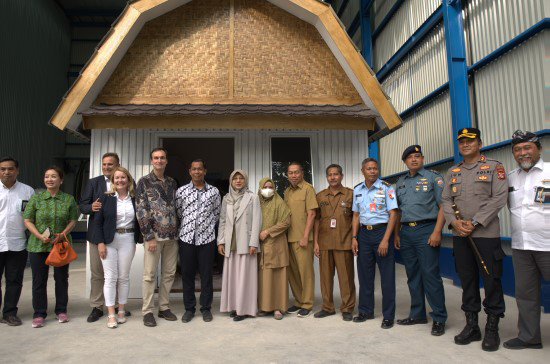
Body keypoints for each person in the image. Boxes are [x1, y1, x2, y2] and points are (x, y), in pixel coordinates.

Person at [442, 128, 508, 352]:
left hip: (486, 235)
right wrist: (454, 223)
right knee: (467, 280)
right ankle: (472, 326)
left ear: (479, 143)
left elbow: (500, 197)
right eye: (461, 142)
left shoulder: (494, 167)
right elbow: (445, 200)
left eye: (470, 141)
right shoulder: (453, 171)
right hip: (461, 236)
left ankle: (492, 329)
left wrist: (476, 222)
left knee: (491, 281)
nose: (465, 145)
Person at [394, 146, 447, 336]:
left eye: (417, 156)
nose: (414, 160)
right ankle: (417, 314)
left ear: (422, 158)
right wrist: (397, 234)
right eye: (410, 157)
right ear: (405, 161)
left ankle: (439, 317)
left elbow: (443, 206)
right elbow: (398, 211)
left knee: (430, 275)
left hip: (427, 230)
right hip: (406, 232)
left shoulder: (434, 178)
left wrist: (437, 232)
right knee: (413, 275)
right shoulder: (400, 182)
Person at [503, 130, 549, 350]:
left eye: (527, 148)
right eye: (518, 150)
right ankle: (530, 337)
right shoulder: (511, 177)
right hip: (521, 246)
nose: (523, 153)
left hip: (548, 245)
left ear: (538, 149)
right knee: (526, 295)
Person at [23, 166, 78, 328]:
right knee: (39, 281)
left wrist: (63, 234)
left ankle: (61, 310)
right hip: (38, 246)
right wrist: (39, 235)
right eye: (47, 176)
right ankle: (39, 313)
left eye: (54, 176)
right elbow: (27, 220)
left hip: (60, 245)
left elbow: (73, 220)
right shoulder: (36, 199)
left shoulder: (68, 199)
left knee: (61, 279)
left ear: (61, 180)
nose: (50, 179)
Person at [91, 167, 141, 328]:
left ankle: (121, 310)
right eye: (116, 178)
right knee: (110, 277)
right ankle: (111, 313)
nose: (120, 180)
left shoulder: (135, 198)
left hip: (128, 239)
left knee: (123, 277)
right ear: (113, 181)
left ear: (128, 180)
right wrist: (100, 243)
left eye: (123, 177)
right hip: (108, 241)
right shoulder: (105, 198)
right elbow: (97, 223)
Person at [351, 158, 398, 329]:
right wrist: (354, 237)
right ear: (362, 171)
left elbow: (393, 214)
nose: (373, 171)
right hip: (364, 234)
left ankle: (388, 315)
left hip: (381, 232)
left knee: (386, 277)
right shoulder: (357, 190)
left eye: (375, 168)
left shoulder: (386, 188)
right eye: (369, 169)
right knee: (365, 275)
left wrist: (386, 239)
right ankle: (365, 310)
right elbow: (356, 216)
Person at [135, 148, 179, 327]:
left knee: (169, 274)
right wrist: (149, 236)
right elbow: (141, 210)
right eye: (156, 158)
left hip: (172, 236)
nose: (159, 160)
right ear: (151, 161)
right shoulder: (144, 182)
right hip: (153, 237)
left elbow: (177, 208)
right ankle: (147, 311)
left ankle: (164, 307)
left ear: (166, 161)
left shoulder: (172, 182)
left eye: (162, 158)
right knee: (149, 275)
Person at [176, 159, 221, 323]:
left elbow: (217, 214)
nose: (197, 172)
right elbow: (180, 213)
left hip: (207, 239)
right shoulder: (181, 191)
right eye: (194, 169)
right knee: (187, 275)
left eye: (200, 169)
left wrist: (205, 227)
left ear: (205, 171)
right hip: (187, 238)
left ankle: (206, 308)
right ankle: (189, 308)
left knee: (206, 275)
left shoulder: (214, 192)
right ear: (189, 171)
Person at [80, 152, 123, 323]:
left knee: (117, 273)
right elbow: (82, 206)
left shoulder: (124, 181)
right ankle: (97, 306)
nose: (106, 167)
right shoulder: (94, 183)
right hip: (97, 235)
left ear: (117, 165)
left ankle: (118, 305)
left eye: (110, 164)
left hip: (117, 236)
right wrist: (90, 207)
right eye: (104, 164)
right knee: (98, 273)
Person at [313, 164, 356, 321]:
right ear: (326, 177)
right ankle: (327, 307)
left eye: (336, 174)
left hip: (344, 241)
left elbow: (355, 218)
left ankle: (347, 308)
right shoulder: (320, 196)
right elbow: (316, 220)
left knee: (346, 277)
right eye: (330, 175)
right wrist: (316, 242)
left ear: (342, 176)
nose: (333, 177)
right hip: (324, 242)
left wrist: (354, 239)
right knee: (325, 277)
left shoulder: (350, 194)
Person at [218, 170, 262, 321]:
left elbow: (257, 221)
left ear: (246, 180)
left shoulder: (253, 197)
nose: (238, 181)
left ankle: (245, 309)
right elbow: (223, 221)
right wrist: (221, 241)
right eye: (235, 178)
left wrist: (254, 243)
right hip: (231, 242)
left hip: (246, 242)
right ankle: (235, 306)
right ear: (230, 181)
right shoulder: (226, 198)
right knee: (233, 277)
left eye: (241, 178)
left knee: (245, 277)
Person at [0, 157, 34, 326]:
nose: (7, 172)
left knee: (14, 280)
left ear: (17, 171)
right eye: (3, 169)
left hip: (18, 243)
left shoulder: (27, 192)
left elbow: (33, 217)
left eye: (10, 169)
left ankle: (10, 313)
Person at [284, 162, 318, 318]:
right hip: (289, 238)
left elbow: (312, 214)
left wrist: (305, 236)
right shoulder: (287, 192)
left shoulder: (308, 189)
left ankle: (307, 303)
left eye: (296, 172)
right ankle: (298, 301)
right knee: (294, 273)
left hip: (303, 239)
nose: (293, 175)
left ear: (302, 173)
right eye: (291, 173)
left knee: (306, 273)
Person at [257, 178, 291, 320]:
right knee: (264, 278)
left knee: (278, 277)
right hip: (261, 246)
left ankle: (278, 307)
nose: (268, 189)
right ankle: (265, 307)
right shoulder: (256, 203)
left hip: (277, 244)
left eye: (271, 187)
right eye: (265, 187)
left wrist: (268, 231)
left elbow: (286, 222)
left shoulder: (280, 202)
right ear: (260, 188)